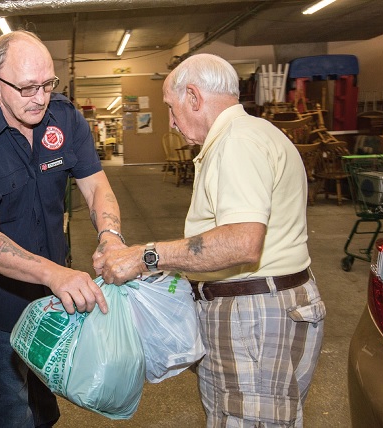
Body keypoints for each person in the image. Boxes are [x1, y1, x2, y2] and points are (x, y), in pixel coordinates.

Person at [96, 53, 326, 427]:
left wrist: (145, 256)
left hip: (253, 318)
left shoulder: (236, 142)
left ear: (194, 97)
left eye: (171, 108)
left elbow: (241, 242)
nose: (170, 121)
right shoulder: (257, 132)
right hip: (266, 307)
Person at [0, 30, 125, 428]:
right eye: (27, 88)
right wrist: (55, 274)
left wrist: (110, 236)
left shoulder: (64, 117)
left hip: (55, 290)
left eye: (47, 84)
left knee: (45, 391)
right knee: (11, 396)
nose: (40, 97)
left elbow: (96, 187)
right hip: (0, 296)